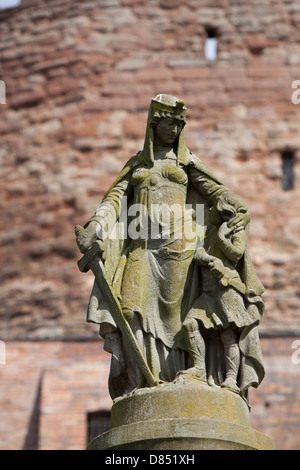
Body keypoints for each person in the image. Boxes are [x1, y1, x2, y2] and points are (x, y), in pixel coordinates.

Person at [75, 94, 252, 399]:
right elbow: (113, 201)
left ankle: (183, 379)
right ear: (155, 123)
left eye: (180, 125)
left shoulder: (186, 162)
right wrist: (94, 227)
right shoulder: (137, 164)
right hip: (141, 248)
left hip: (180, 249)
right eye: (171, 123)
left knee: (180, 321)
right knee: (129, 311)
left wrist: (240, 211)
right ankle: (140, 384)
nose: (175, 130)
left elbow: (219, 193)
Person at [181, 192, 265, 399]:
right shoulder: (209, 232)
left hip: (227, 287)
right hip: (209, 291)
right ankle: (200, 368)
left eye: (213, 208)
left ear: (223, 212)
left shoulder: (234, 230)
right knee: (190, 324)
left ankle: (230, 379)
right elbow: (201, 251)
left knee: (227, 334)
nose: (209, 210)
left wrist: (221, 238)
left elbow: (236, 254)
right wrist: (201, 255)